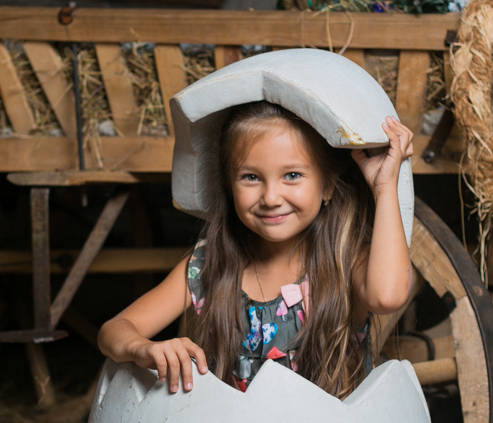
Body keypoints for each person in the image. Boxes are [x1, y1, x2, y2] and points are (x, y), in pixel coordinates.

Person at [98, 99, 415, 399]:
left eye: (292, 175)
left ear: (328, 185)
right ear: (229, 184)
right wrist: (143, 348)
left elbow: (387, 297)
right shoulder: (208, 266)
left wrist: (384, 187)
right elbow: (115, 330)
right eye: (251, 177)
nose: (271, 197)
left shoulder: (345, 260)